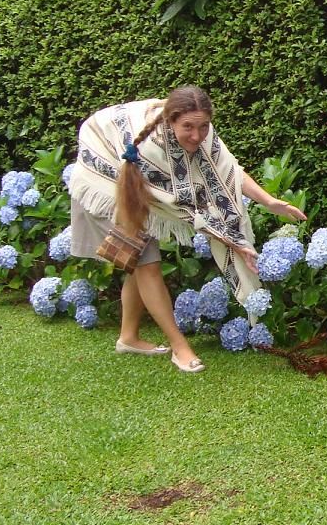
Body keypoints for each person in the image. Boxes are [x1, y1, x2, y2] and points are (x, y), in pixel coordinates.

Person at [68, 86, 306, 372]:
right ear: (170, 121)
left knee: (139, 261)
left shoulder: (202, 133)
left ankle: (128, 337)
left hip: (136, 185)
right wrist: (230, 239)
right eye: (188, 127)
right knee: (147, 263)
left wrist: (269, 201)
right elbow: (183, 207)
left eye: (203, 126)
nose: (197, 135)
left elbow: (227, 171)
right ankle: (179, 347)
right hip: (105, 180)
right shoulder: (149, 148)